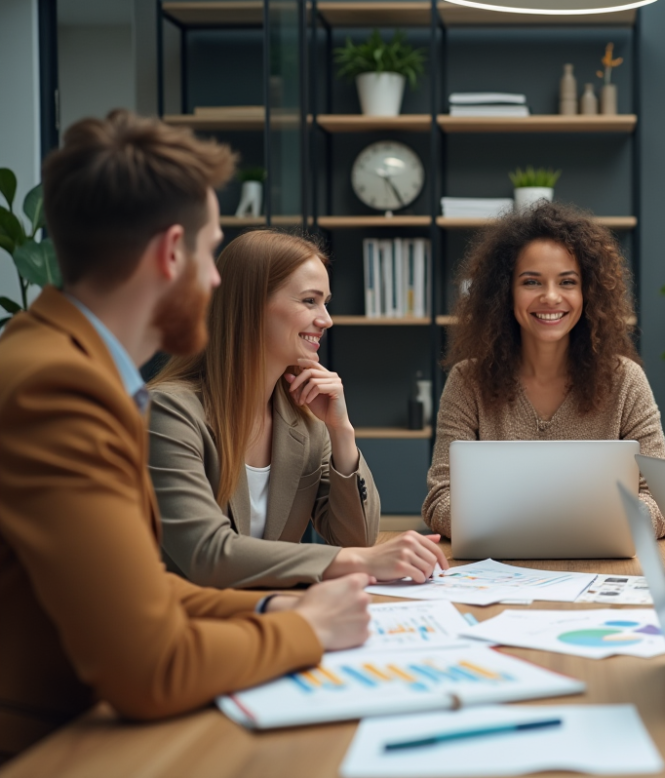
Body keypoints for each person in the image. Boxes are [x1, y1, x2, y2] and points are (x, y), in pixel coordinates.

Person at [0, 111, 372, 762]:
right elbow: (151, 667)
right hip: (47, 747)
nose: (217, 280)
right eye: (210, 252)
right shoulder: (59, 389)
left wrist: (269, 612)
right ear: (172, 252)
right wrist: (306, 630)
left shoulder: (65, 363)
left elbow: (142, 587)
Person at [148, 229, 448, 589]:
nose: (326, 319)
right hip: (189, 629)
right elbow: (206, 555)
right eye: (309, 301)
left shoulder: (305, 422)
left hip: (272, 617)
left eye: (325, 302)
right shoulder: (169, 413)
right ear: (250, 304)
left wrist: (342, 432)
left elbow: (357, 538)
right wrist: (357, 560)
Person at [422, 201, 665, 537]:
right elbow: (440, 501)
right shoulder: (468, 382)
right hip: (498, 570)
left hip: (601, 566)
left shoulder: (626, 380)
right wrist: (543, 520)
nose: (551, 297)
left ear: (588, 292)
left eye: (567, 282)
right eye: (531, 282)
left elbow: (662, 500)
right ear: (505, 292)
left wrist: (590, 524)